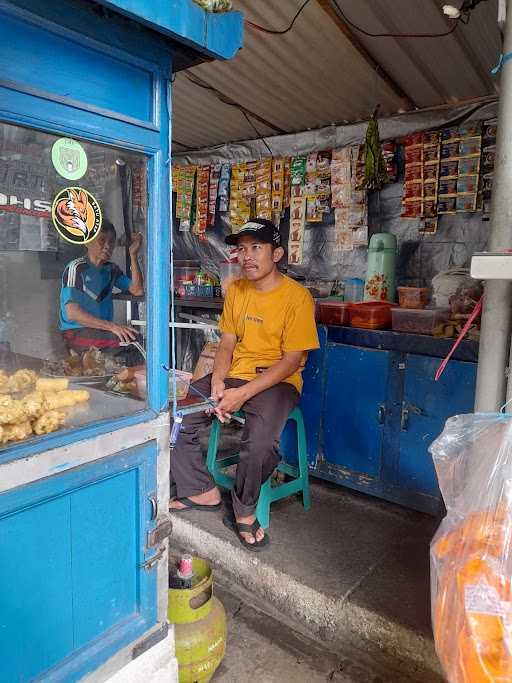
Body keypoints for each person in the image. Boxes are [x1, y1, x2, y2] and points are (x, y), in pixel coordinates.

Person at [169, 218, 319, 551]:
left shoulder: (298, 298)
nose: (246, 256)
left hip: (277, 381)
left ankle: (244, 507)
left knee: (261, 442)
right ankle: (200, 489)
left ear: (276, 253)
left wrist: (242, 394)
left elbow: (291, 361)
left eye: (256, 248)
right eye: (242, 248)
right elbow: (226, 342)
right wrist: (219, 382)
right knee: (176, 415)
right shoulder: (237, 290)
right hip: (235, 374)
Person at [59, 219, 143, 351]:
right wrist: (112, 327)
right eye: (102, 240)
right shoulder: (77, 268)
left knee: (134, 339)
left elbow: (137, 290)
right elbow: (72, 313)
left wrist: (133, 255)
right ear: (87, 242)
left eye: (111, 242)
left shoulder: (111, 269)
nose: (107, 246)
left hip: (100, 331)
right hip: (75, 332)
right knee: (130, 343)